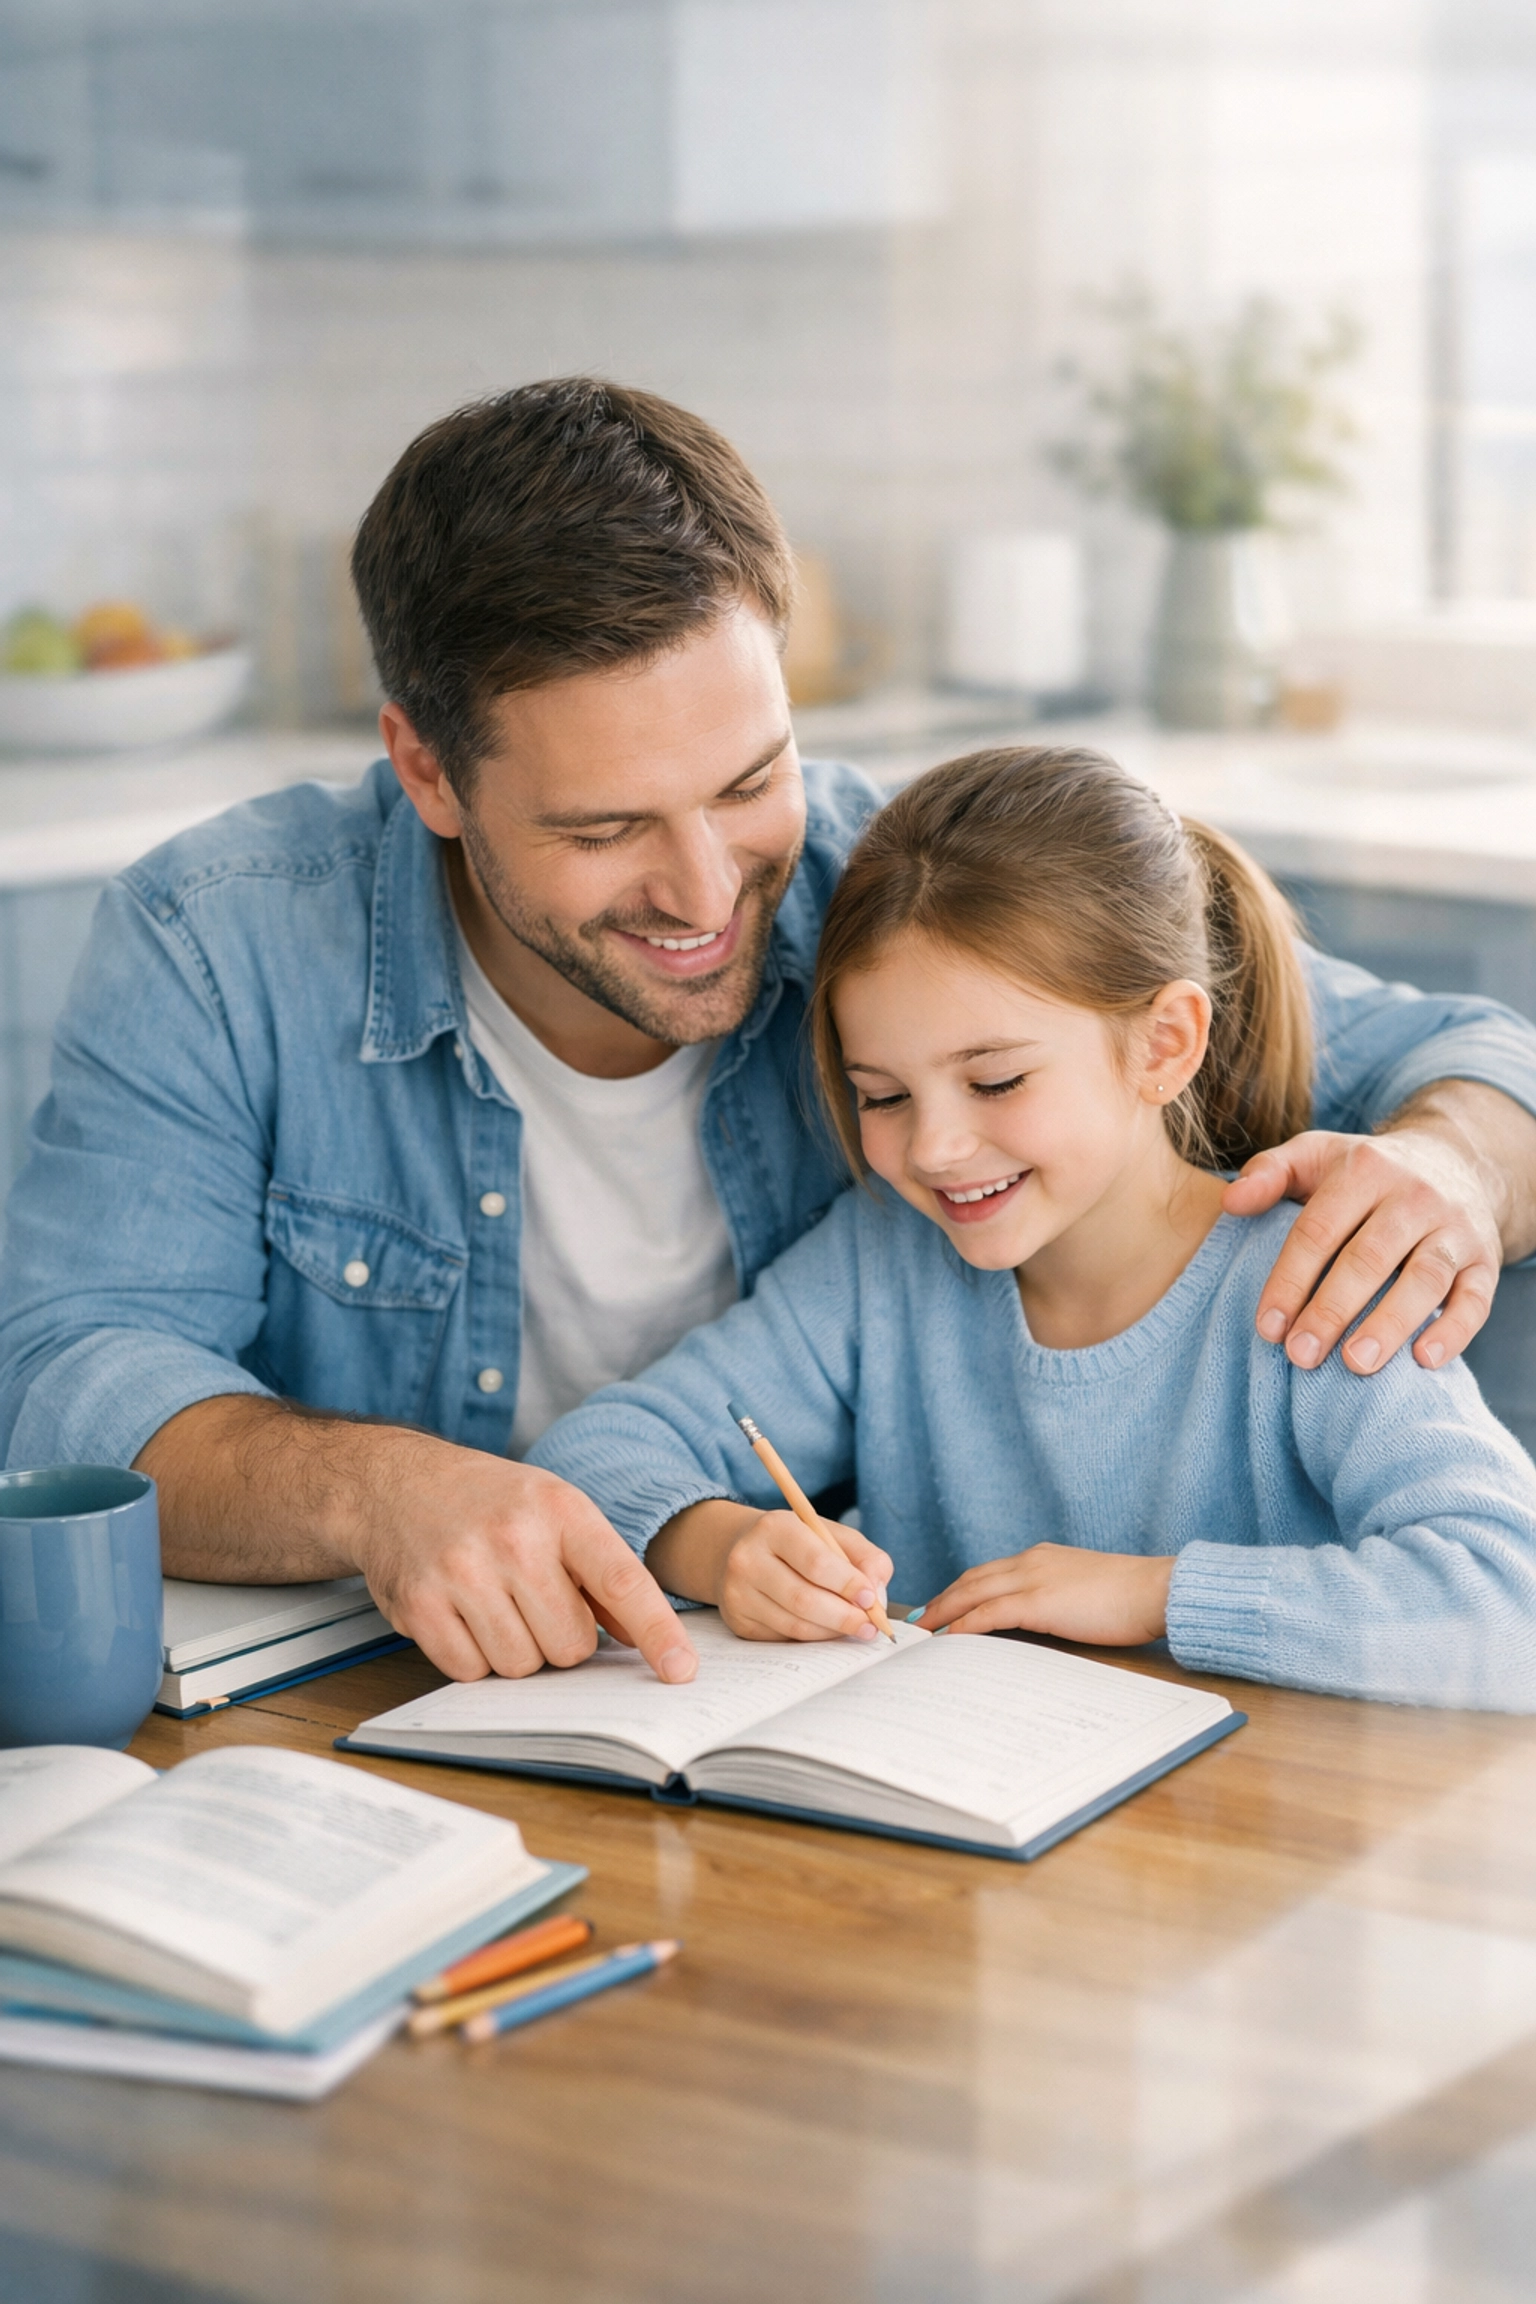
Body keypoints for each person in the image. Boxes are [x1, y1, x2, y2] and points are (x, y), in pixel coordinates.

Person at [3, 381, 1536, 1690]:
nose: (706, 891)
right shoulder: (220, 940)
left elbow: (1458, 1056)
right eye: (607, 826)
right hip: (397, 1700)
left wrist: (1455, 1166)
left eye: (749, 780)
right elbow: (69, 1375)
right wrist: (377, 1492)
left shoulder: (916, 905)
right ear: (428, 770)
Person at [528, 747, 1536, 1707]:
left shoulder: (1316, 1289)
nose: (935, 1149)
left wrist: (1149, 1595)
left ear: (1165, 1044)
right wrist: (723, 1545)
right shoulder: (885, 1262)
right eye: (881, 1096)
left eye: (995, 1080)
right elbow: (595, 1451)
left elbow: (1507, 1598)